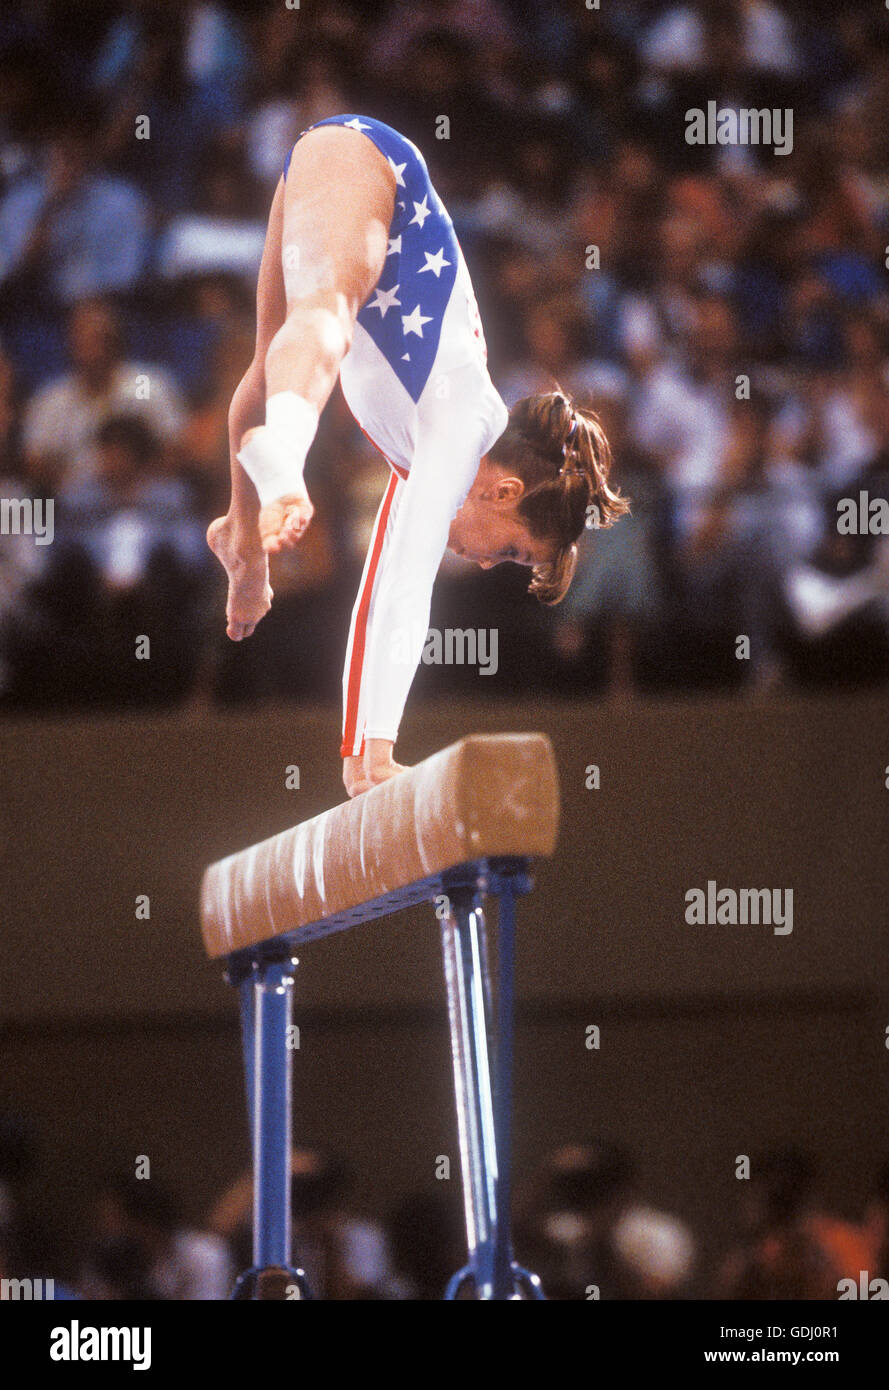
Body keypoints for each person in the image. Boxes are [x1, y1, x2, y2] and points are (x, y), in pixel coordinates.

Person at [207, 114, 628, 797]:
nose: (490, 564)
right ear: (505, 492)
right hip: (374, 167)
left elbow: (376, 592)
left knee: (268, 364)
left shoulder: (429, 457)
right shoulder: (462, 430)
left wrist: (360, 760)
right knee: (328, 311)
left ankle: (243, 537)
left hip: (325, 172)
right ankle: (283, 454)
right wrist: (382, 749)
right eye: (515, 552)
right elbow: (409, 595)